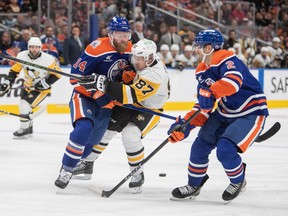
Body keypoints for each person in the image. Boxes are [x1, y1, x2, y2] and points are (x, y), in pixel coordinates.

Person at [167, 29, 269, 202]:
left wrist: (210, 93)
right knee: (199, 146)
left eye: (199, 46)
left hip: (251, 112)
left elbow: (232, 83)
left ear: (209, 47)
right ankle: (194, 184)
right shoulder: (201, 71)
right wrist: (186, 124)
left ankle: (238, 181)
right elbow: (203, 105)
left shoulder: (228, 59)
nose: (196, 50)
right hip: (225, 111)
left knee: (225, 149)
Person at [72, 38, 170, 194]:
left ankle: (137, 174)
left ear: (150, 58)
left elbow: (128, 95)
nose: (135, 61)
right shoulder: (144, 58)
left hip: (150, 108)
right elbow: (131, 77)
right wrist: (129, 75)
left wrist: (103, 83)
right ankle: (88, 164)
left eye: (139, 59)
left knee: (130, 136)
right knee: (106, 130)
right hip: (132, 103)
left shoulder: (154, 75)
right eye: (135, 57)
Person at [54, 16, 133, 189]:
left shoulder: (130, 48)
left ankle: (79, 164)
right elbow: (75, 79)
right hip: (86, 97)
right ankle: (66, 170)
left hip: (107, 104)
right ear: (110, 34)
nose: (124, 38)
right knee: (84, 128)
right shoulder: (96, 48)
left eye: (126, 34)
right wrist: (98, 94)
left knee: (92, 144)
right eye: (120, 34)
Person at [0, 37, 61, 138]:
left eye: (36, 47)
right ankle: (28, 128)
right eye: (32, 47)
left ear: (40, 48)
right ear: (28, 47)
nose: (34, 49)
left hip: (41, 90)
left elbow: (57, 74)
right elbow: (14, 71)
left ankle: (24, 130)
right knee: (25, 108)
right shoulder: (22, 55)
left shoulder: (48, 59)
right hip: (27, 86)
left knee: (24, 105)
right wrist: (8, 82)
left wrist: (44, 83)